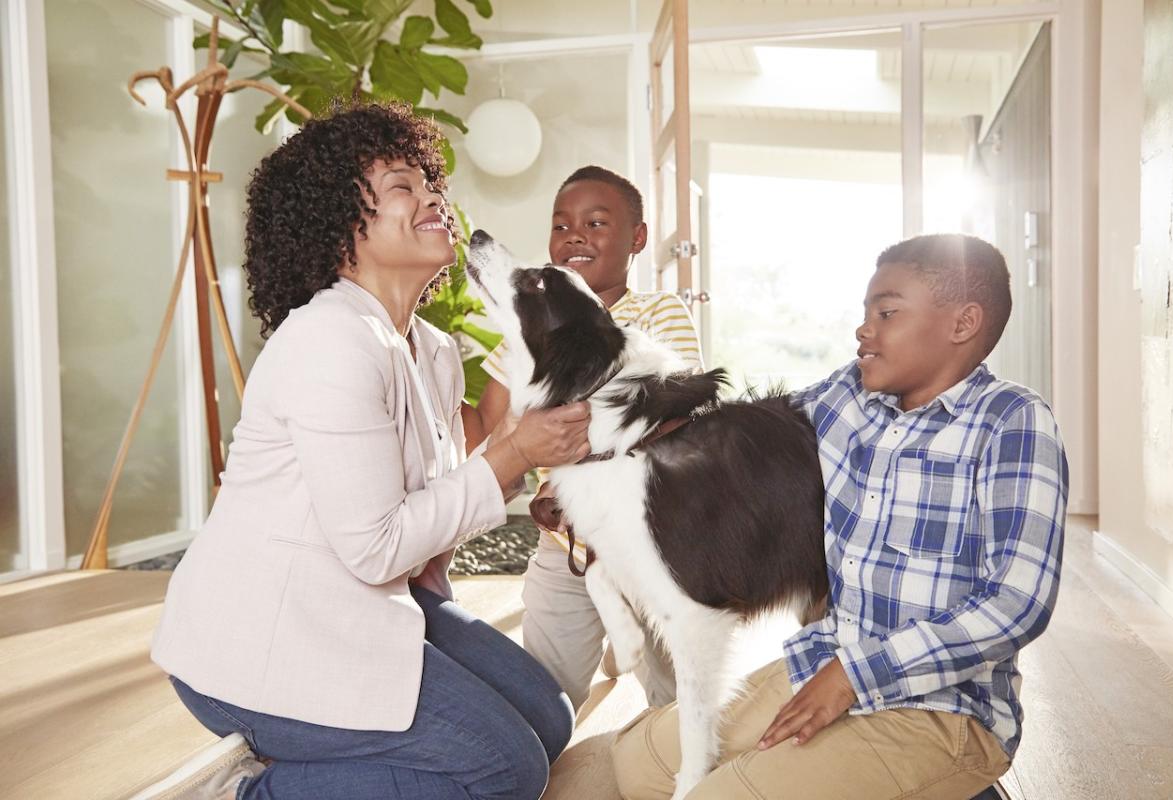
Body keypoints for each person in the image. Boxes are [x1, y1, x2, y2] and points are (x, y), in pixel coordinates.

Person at [145, 102, 587, 800]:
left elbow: (430, 513)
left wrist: (521, 434)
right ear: (339, 227)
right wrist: (509, 456)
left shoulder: (432, 350)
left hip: (367, 602)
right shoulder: (327, 341)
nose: (432, 199)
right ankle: (243, 795)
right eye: (401, 186)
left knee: (548, 716)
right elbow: (379, 546)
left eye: (430, 183)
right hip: (259, 642)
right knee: (505, 768)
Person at [611, 233, 1069, 799]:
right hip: (824, 663)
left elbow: (1016, 604)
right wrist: (604, 463)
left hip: (945, 711)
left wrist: (856, 677)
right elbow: (743, 437)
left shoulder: (1013, 422)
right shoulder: (850, 397)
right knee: (638, 768)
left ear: (962, 323)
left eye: (887, 312)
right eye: (865, 312)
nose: (864, 328)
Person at [469, 165, 703, 710]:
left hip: (653, 549)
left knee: (673, 702)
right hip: (567, 549)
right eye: (561, 224)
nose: (575, 235)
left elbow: (670, 421)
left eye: (596, 223)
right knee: (542, 698)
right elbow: (489, 428)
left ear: (637, 239)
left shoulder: (656, 314)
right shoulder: (527, 335)